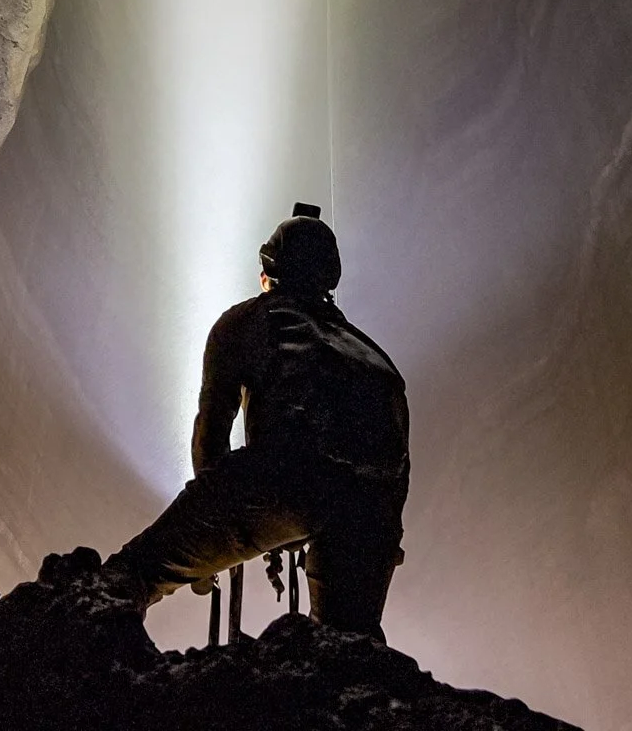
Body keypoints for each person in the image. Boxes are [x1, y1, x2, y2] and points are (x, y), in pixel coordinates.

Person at [104, 204, 410, 640]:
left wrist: (208, 544)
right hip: (372, 512)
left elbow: (211, 436)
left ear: (269, 269)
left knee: (134, 574)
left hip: (283, 477)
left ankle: (85, 633)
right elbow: (398, 465)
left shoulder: (247, 321)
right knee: (351, 644)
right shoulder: (375, 357)